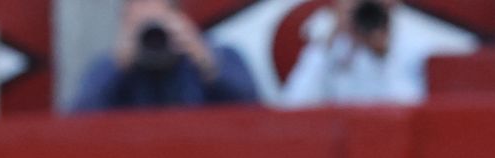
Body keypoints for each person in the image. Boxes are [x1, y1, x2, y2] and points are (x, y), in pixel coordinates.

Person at [71, 0, 258, 112]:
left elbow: (254, 115)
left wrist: (207, 62)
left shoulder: (219, 58)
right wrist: (116, 66)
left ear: (180, 20)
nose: (154, 37)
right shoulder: (109, 68)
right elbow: (77, 123)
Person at [279, 0, 430, 107]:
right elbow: (294, 105)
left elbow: (410, 111)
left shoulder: (413, 43)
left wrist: (381, 53)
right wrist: (329, 46)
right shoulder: (330, 41)